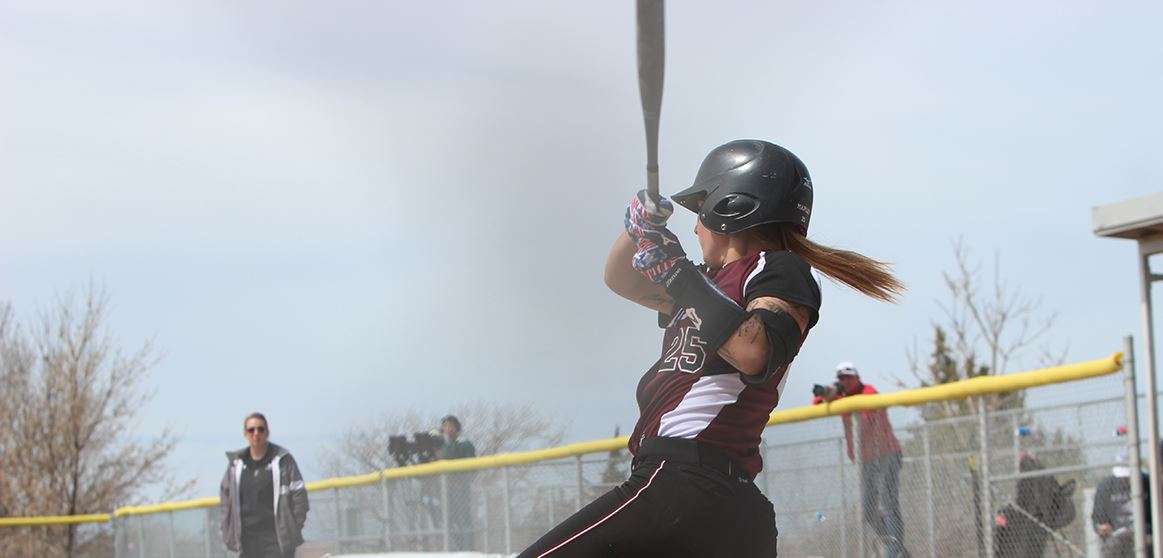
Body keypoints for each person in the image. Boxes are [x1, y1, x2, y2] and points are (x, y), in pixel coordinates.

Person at [519, 139, 903, 557]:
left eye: (700, 212)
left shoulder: (775, 268)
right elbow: (620, 279)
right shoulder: (705, 285)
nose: (694, 228)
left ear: (730, 207)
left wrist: (677, 272)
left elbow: (755, 352)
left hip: (684, 483)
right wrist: (639, 230)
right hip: (712, 502)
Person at [814, 362, 905, 557]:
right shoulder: (841, 398)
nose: (845, 381)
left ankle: (894, 553)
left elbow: (865, 417)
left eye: (848, 377)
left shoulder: (868, 391)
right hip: (866, 461)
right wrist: (830, 392)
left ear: (857, 378)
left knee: (889, 504)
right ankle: (898, 548)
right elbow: (816, 402)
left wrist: (841, 399)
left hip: (887, 455)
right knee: (868, 510)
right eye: (841, 378)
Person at [219, 412, 309, 558]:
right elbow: (225, 499)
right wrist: (226, 529)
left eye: (261, 429)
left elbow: (299, 495)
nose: (256, 433)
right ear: (245, 433)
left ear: (267, 432)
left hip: (276, 541)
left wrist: (293, 527)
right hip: (246, 542)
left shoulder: (283, 460)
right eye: (251, 430)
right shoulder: (236, 464)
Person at [1093, 450, 1151, 557]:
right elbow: (1098, 519)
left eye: (1129, 476)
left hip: (1145, 534)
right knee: (1115, 546)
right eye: (1123, 477)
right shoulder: (1105, 487)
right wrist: (1102, 528)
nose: (1126, 480)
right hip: (1117, 537)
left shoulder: (1148, 482)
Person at [437, 415, 476, 550]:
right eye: (445, 426)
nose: (447, 429)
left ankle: (468, 549)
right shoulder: (442, 446)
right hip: (445, 491)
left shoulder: (464, 444)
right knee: (448, 521)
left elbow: (471, 467)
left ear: (456, 428)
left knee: (464, 520)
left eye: (450, 426)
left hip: (460, 489)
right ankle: (454, 549)